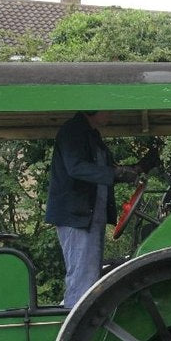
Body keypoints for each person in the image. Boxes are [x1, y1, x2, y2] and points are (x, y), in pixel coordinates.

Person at [46, 110, 140, 307]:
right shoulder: (72, 131)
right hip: (77, 215)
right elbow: (77, 167)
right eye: (107, 109)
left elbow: (106, 169)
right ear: (93, 110)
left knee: (90, 275)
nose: (111, 114)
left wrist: (133, 169)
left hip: (90, 213)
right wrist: (117, 174)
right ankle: (74, 321)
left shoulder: (92, 134)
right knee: (82, 276)